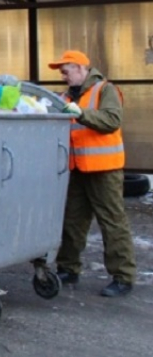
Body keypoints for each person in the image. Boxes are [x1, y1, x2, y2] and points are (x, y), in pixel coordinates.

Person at [48, 50, 136, 297]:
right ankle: (68, 268)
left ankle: (123, 277)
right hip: (77, 168)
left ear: (79, 68)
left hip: (104, 169)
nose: (63, 76)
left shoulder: (104, 90)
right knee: (73, 220)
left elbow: (111, 119)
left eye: (65, 71)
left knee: (112, 222)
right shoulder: (66, 96)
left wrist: (81, 113)